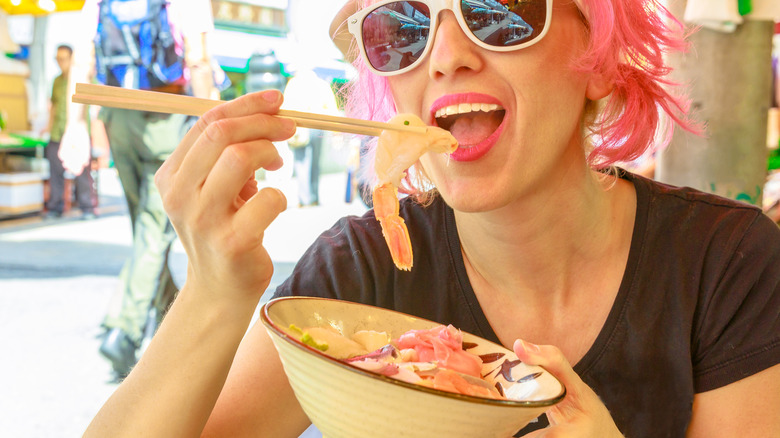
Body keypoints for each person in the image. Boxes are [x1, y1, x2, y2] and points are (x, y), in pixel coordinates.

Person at [84, 0, 780, 436]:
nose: (447, 56)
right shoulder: (359, 275)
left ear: (597, 59)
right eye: (402, 26)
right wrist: (212, 292)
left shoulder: (728, 262)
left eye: (500, 11)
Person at [66, 0, 221, 380]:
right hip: (165, 114)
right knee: (155, 229)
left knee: (146, 229)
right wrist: (215, 124)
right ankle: (126, 331)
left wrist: (75, 126)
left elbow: (84, 61)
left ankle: (166, 315)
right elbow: (198, 61)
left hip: (117, 115)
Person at [42, 44, 96, 220]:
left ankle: (87, 207)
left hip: (78, 132)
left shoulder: (83, 77)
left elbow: (95, 106)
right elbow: (54, 106)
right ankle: (55, 206)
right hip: (58, 132)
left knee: (81, 171)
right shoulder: (57, 81)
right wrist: (48, 127)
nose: (60, 63)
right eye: (57, 59)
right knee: (55, 171)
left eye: (63, 59)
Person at [282, 67, 340, 207]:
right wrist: (335, 130)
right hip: (318, 127)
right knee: (315, 163)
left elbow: (286, 106)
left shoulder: (294, 84)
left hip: (301, 127)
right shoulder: (321, 84)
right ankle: (314, 197)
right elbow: (331, 108)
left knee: (302, 163)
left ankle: (304, 198)